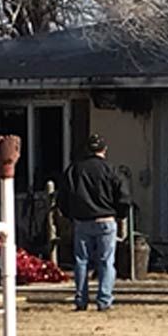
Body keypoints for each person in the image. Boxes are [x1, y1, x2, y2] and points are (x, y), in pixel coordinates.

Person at [60, 134, 130, 312]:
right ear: (104, 150)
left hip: (82, 221)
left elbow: (63, 197)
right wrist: (120, 215)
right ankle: (104, 300)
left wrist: (69, 215)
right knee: (106, 261)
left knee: (81, 261)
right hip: (106, 220)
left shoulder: (74, 170)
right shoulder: (111, 170)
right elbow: (123, 196)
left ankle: (81, 299)